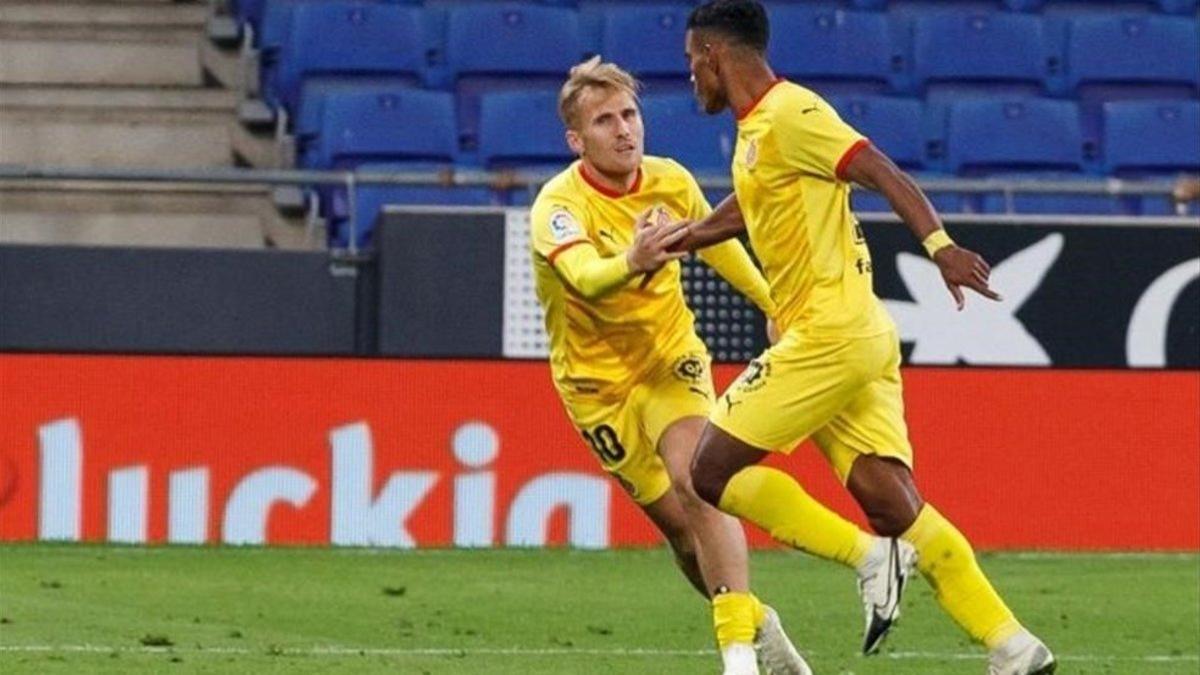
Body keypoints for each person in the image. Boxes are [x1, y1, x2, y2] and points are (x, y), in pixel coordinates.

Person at [672, 2, 1057, 674]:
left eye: (689, 62)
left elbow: (879, 167)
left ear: (711, 53)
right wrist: (678, 239)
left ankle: (869, 557)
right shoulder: (758, 132)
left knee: (705, 472)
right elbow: (751, 205)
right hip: (857, 335)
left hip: (829, 333)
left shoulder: (793, 112)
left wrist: (939, 246)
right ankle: (1013, 644)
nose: (690, 78)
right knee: (891, 498)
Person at [530, 56, 907, 675]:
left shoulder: (670, 180)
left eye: (629, 114)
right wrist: (634, 258)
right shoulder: (558, 206)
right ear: (577, 139)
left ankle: (739, 657)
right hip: (595, 389)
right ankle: (759, 625)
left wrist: (773, 301)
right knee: (682, 535)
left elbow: (720, 243)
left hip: (669, 360)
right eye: (604, 121)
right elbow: (585, 278)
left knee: (696, 479)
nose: (624, 130)